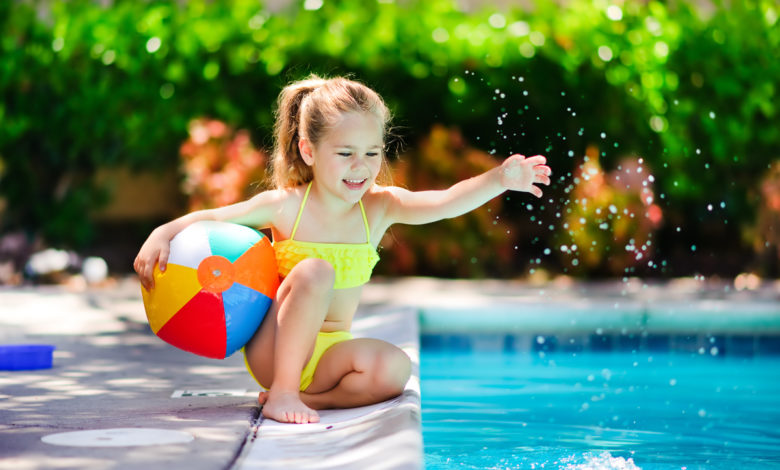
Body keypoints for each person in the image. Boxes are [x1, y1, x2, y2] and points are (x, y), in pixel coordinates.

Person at [134, 75, 551, 424]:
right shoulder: (287, 206)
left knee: (396, 368)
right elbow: (214, 218)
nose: (361, 166)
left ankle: (313, 402)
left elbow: (444, 202)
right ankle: (281, 393)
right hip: (275, 350)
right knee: (316, 273)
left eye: (372, 152)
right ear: (308, 150)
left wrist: (499, 180)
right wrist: (162, 233)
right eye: (346, 153)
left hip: (331, 356)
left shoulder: (380, 208)